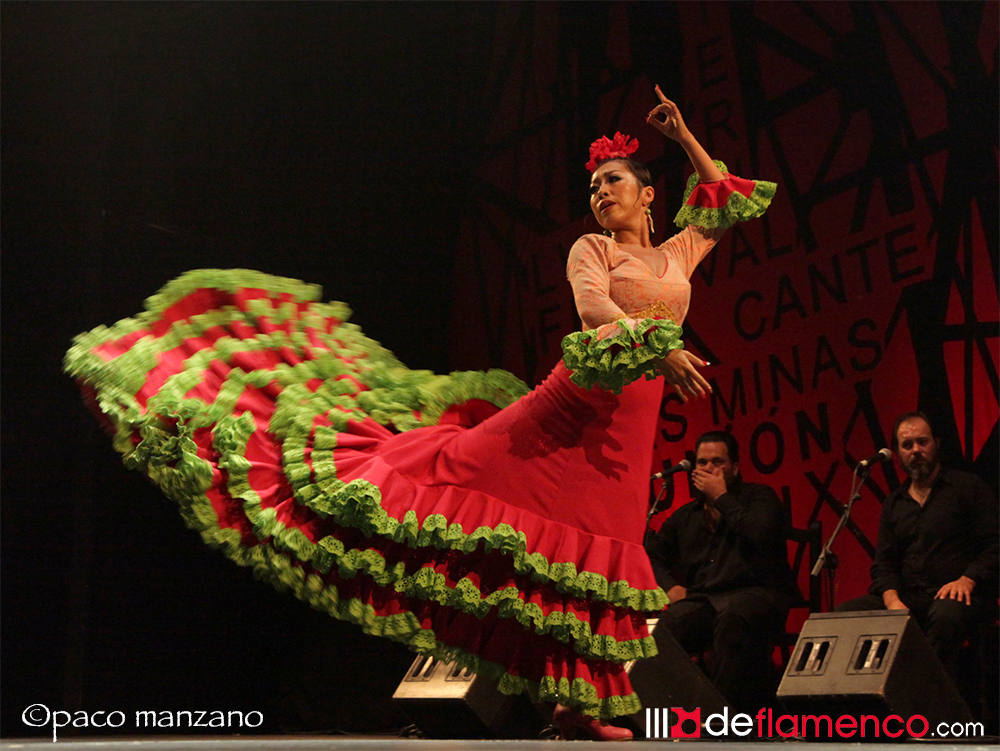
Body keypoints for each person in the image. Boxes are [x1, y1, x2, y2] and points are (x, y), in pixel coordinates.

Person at [64, 87, 774, 741]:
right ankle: (298, 462)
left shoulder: (677, 254)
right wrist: (662, 346)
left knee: (599, 550)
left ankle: (575, 704)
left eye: (612, 181)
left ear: (648, 194)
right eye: (593, 186)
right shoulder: (591, 248)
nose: (599, 193)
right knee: (452, 468)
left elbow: (721, 197)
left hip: (626, 434)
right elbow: (593, 311)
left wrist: (684, 136)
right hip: (575, 406)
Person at [836, 412, 999, 680]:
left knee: (946, 615)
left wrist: (968, 579)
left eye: (922, 442)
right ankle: (867, 698)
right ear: (898, 453)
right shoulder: (894, 503)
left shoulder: (967, 487)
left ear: (936, 443)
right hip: (909, 596)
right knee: (844, 614)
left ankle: (921, 693)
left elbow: (994, 545)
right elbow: (884, 563)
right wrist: (892, 600)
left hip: (957, 594)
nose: (916, 450)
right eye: (907, 445)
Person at [643, 431, 794, 714]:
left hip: (757, 595)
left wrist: (721, 497)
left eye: (717, 462)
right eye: (702, 463)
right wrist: (670, 587)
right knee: (665, 627)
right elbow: (652, 552)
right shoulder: (686, 515)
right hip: (706, 601)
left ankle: (722, 718)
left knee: (733, 618)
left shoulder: (759, 497)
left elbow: (760, 534)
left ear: (734, 468)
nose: (708, 469)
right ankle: (671, 714)